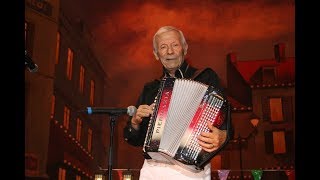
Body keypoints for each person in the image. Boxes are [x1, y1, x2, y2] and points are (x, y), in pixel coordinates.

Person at [123, 26, 232, 180]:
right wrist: (134, 123)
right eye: (163, 47)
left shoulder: (206, 77)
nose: (169, 51)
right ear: (156, 54)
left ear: (184, 49)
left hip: (191, 171)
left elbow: (226, 122)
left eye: (175, 45)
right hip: (153, 170)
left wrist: (223, 135)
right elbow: (135, 140)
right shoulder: (150, 89)